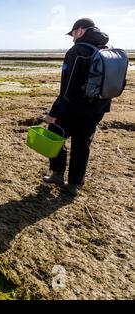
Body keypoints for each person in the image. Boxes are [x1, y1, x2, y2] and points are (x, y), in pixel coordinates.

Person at [43, 18, 112, 196]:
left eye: (73, 33)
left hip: (75, 109)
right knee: (82, 144)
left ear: (80, 30)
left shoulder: (77, 51)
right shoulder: (107, 50)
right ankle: (74, 184)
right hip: (98, 108)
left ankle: (58, 174)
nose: (72, 38)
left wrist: (54, 113)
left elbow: (67, 88)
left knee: (54, 132)